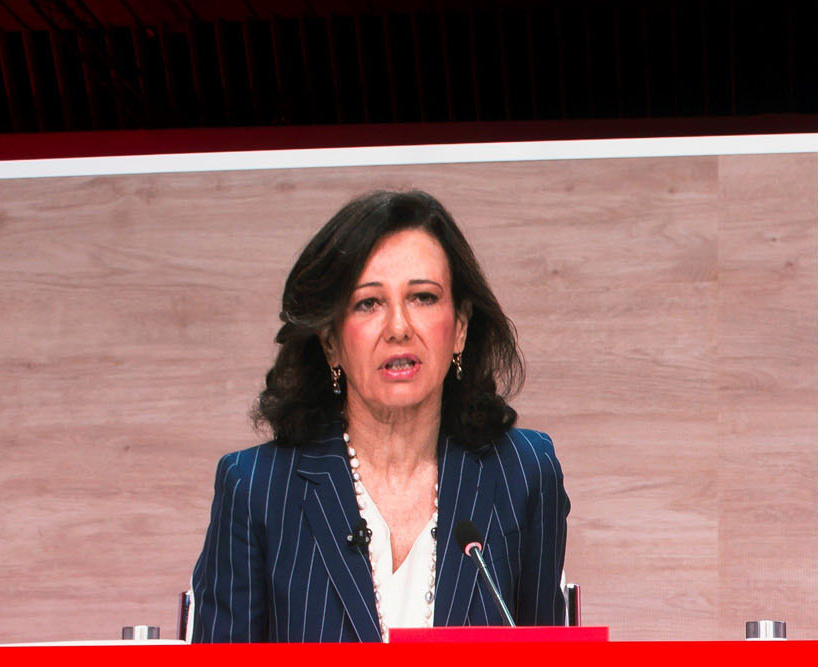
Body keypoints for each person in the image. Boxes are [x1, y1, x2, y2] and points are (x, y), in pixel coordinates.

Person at [190, 190, 570, 643]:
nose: (398, 327)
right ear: (330, 340)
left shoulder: (523, 474)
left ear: (461, 328)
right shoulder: (256, 489)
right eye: (369, 303)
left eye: (423, 298)